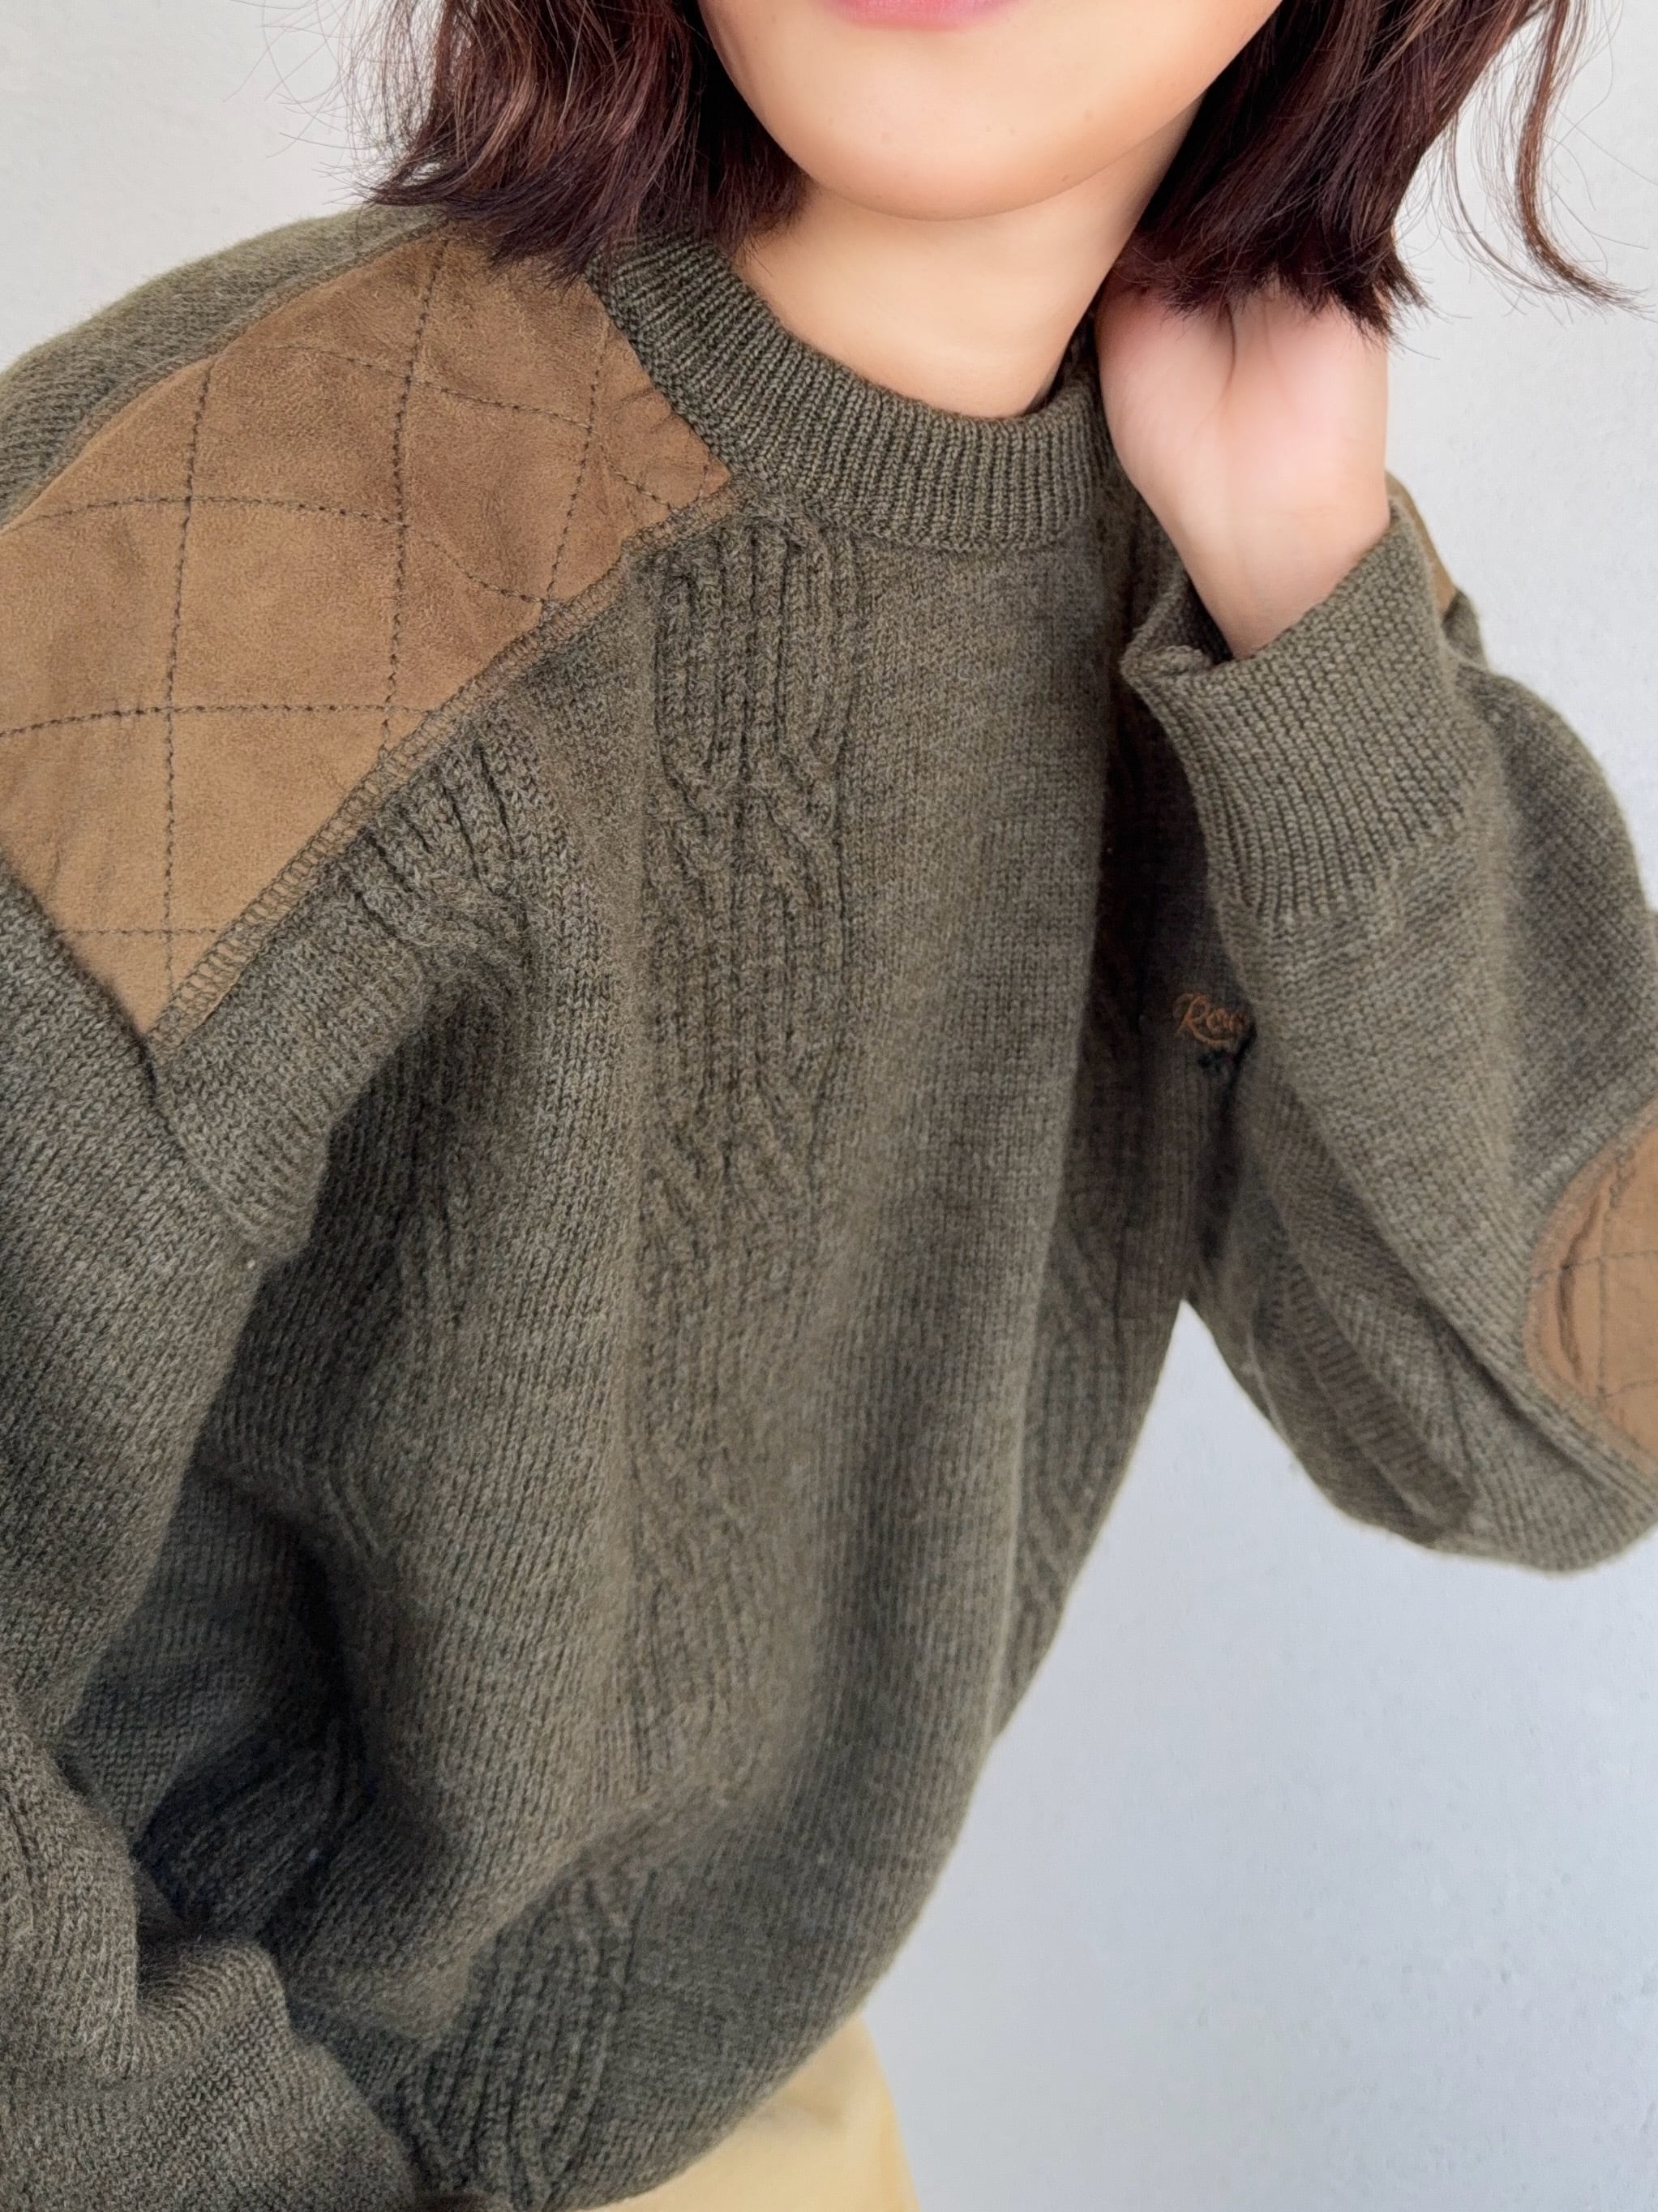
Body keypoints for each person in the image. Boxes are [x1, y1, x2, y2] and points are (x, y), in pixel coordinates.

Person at [2, 0, 1653, 2206]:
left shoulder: (1232, 596)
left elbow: (1556, 1432)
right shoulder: (226, 548)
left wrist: (1309, 607)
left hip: (765, 2132)